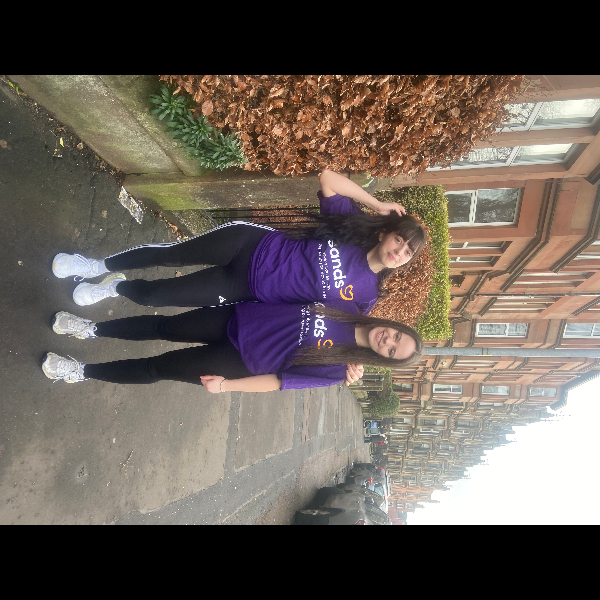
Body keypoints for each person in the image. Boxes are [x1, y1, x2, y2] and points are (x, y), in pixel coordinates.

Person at [51, 170, 427, 316]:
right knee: (171, 256)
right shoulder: (351, 228)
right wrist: (377, 204)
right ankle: (94, 265)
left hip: (243, 288)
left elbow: (336, 328)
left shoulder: (366, 296)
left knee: (156, 298)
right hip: (248, 245)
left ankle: (113, 286)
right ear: (385, 233)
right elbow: (328, 177)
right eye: (399, 239)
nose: (399, 251)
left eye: (407, 252)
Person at [42, 300, 424, 393]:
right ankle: (90, 329)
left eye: (393, 351)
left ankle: (81, 371)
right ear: (394, 326)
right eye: (397, 336)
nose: (388, 341)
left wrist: (227, 386)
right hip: (237, 319)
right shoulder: (351, 303)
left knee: (157, 368)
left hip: (236, 360)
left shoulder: (339, 371)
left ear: (385, 360)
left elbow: (280, 382)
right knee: (162, 325)